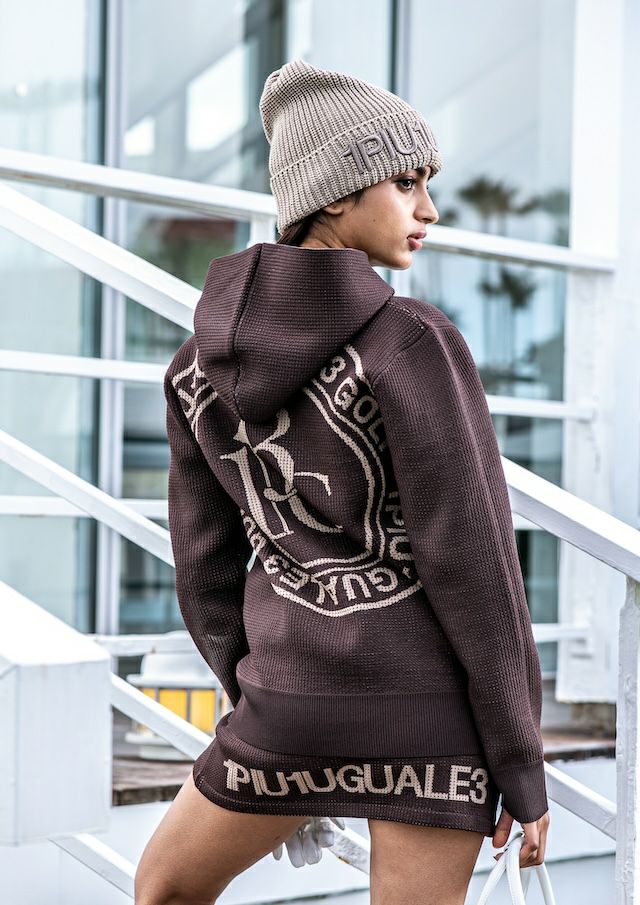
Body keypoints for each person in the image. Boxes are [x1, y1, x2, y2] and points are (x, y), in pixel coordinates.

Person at [134, 59, 550, 905]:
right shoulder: (411, 342)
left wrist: (254, 691)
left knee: (163, 888)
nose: (429, 209)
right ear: (332, 194)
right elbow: (475, 566)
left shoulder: (192, 367)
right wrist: (521, 762)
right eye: (407, 182)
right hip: (430, 725)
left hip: (284, 710)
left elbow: (204, 570)